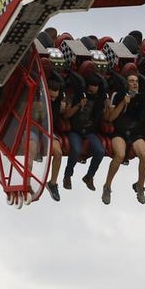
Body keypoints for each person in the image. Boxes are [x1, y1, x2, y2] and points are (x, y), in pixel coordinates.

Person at [101, 68, 145, 205]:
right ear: (126, 84)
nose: (135, 83)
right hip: (119, 132)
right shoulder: (118, 95)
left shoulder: (143, 97)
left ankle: (140, 187)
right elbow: (110, 118)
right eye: (131, 81)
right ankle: (107, 186)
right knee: (119, 155)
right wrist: (123, 103)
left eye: (136, 81)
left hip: (135, 133)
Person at [62, 52, 109, 192]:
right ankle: (67, 175)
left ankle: (89, 176)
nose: (92, 94)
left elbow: (106, 117)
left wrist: (107, 106)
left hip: (89, 131)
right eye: (90, 91)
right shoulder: (75, 97)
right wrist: (78, 106)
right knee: (76, 150)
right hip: (75, 130)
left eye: (94, 92)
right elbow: (66, 115)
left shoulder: (99, 100)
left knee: (100, 151)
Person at [44, 73, 67, 202]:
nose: (52, 100)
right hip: (34, 129)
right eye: (50, 96)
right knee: (31, 150)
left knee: (58, 153)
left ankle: (52, 183)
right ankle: (28, 184)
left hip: (48, 131)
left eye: (55, 97)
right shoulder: (38, 98)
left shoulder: (57, 101)